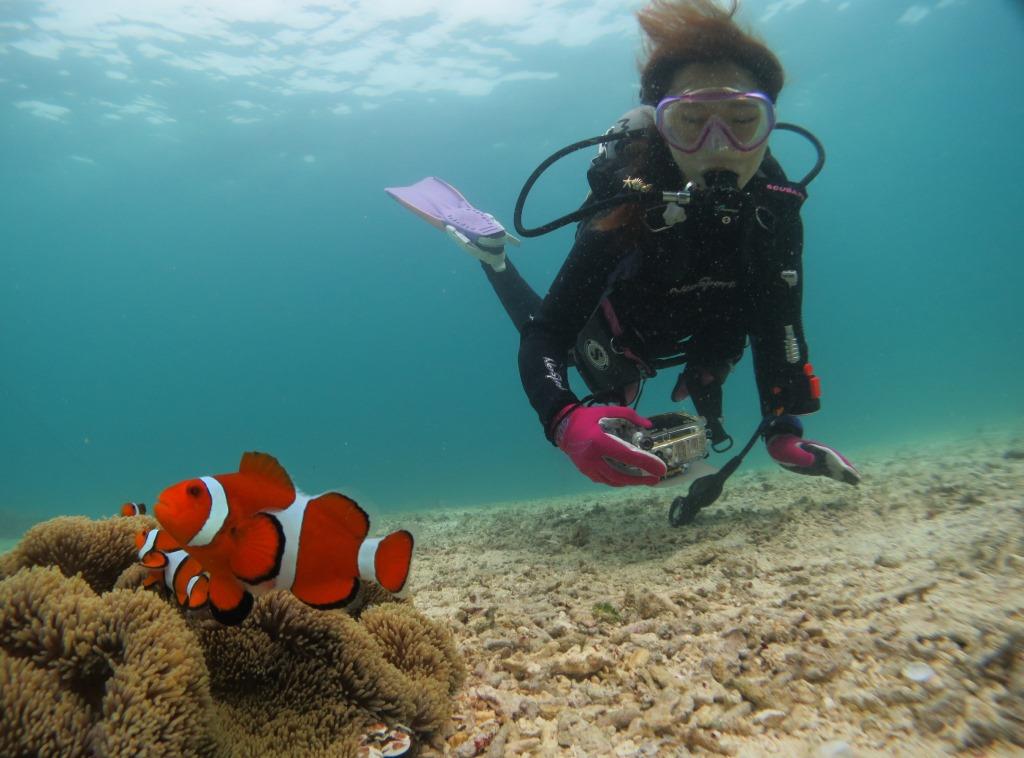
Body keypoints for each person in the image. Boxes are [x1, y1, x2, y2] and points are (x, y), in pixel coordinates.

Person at [446, 0, 861, 492]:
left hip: (707, 326)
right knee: (598, 369)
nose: (719, 144)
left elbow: (780, 325)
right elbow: (545, 335)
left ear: (769, 125)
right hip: (623, 323)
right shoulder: (630, 203)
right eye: (691, 121)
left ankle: (698, 370)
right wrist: (563, 419)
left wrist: (783, 430)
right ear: (662, 128)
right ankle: (496, 261)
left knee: (719, 356)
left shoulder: (775, 211)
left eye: (742, 118)